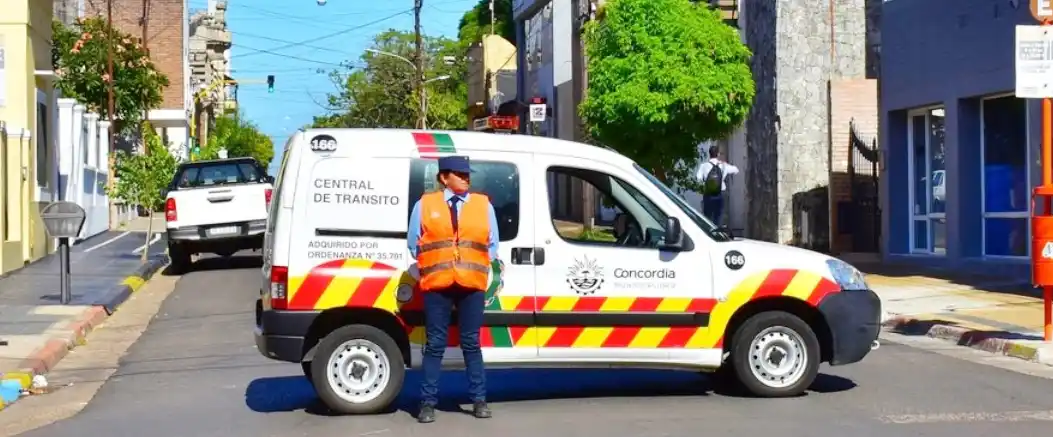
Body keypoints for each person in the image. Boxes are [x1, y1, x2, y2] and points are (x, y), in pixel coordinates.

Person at [406, 155, 500, 424]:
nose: (466, 178)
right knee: (435, 344)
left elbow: (493, 243)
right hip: (438, 283)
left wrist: (478, 261)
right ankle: (427, 403)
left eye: (468, 174)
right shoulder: (425, 204)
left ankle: (479, 400)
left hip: (471, 283)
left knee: (471, 342)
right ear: (444, 177)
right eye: (460, 174)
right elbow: (414, 243)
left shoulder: (483, 205)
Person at [696, 145, 739, 226]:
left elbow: (698, 178)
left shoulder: (704, 166)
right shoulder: (723, 165)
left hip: (708, 194)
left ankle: (708, 234)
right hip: (720, 193)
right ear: (718, 154)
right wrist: (725, 164)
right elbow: (736, 170)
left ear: (709, 154)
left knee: (708, 218)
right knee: (719, 217)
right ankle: (717, 235)